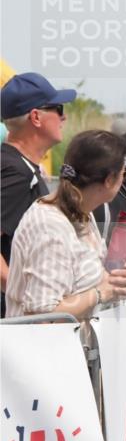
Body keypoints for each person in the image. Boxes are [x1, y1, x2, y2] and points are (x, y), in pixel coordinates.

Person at [5, 130, 126, 319]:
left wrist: (124, 281)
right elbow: (42, 315)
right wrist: (101, 294)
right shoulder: (49, 228)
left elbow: (88, 278)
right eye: (124, 174)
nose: (123, 179)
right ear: (109, 180)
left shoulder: (81, 211)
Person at [1, 72, 76, 315]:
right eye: (58, 109)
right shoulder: (16, 173)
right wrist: (30, 296)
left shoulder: (17, 166)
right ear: (36, 117)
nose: (64, 117)